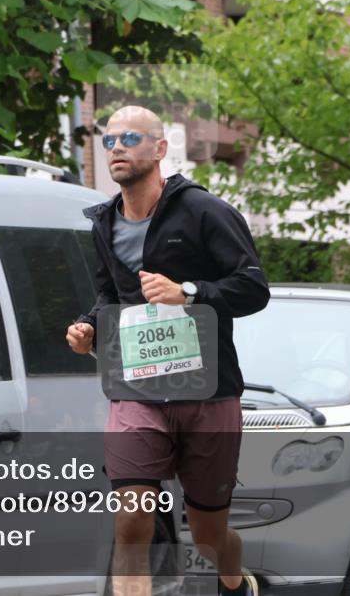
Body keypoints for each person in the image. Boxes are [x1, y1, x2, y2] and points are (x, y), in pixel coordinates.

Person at [66, 106, 269, 596]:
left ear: (159, 149)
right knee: (132, 517)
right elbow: (111, 297)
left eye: (129, 138)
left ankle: (236, 583)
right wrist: (88, 326)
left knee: (207, 535)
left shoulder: (205, 211)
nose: (115, 148)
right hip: (136, 387)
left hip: (209, 393)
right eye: (109, 140)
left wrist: (191, 292)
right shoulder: (104, 223)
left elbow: (253, 288)